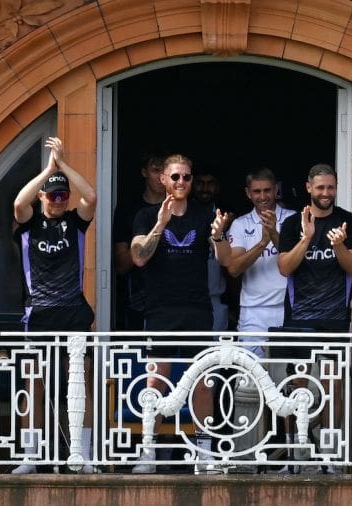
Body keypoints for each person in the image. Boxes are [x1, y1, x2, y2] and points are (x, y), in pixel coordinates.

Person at [129, 154, 231, 474]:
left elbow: (226, 260)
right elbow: (139, 257)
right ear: (163, 180)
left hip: (198, 309)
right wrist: (161, 224)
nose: (182, 183)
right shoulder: (146, 215)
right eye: (175, 177)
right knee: (156, 380)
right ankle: (147, 451)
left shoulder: (204, 216)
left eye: (186, 177)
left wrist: (217, 236)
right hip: (160, 310)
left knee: (203, 381)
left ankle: (204, 450)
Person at [11, 137, 98, 474]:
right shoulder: (30, 222)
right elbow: (19, 203)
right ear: (43, 197)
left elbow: (90, 197)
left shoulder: (75, 221)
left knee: (80, 378)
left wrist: (64, 167)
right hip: (39, 311)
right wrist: (48, 170)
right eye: (54, 195)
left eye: (64, 195)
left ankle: (81, 452)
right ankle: (30, 455)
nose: (60, 200)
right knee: (33, 379)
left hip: (73, 310)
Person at [277, 163, 352, 474]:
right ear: (309, 188)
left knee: (332, 384)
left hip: (335, 318)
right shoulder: (291, 224)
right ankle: (296, 453)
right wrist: (307, 237)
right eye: (320, 188)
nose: (325, 193)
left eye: (330, 187)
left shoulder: (349, 221)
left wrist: (338, 245)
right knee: (295, 384)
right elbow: (285, 268)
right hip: (298, 317)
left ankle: (329, 453)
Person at [226, 168, 295, 357]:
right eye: (257, 191)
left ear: (276, 190)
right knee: (250, 378)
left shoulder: (293, 219)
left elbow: (297, 260)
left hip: (288, 308)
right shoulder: (240, 224)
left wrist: (274, 233)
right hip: (253, 311)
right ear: (248, 193)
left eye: (267, 190)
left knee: (288, 376)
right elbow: (233, 268)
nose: (263, 196)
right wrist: (262, 243)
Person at [112, 149, 166, 330]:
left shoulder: (183, 208)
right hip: (137, 296)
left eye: (166, 172)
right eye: (156, 170)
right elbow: (121, 265)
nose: (161, 177)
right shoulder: (129, 209)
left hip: (176, 297)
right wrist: (152, 236)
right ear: (144, 172)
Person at [193, 169, 233, 331]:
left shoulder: (228, 215)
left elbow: (231, 265)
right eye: (200, 183)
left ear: (217, 187)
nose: (205, 188)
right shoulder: (183, 212)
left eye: (210, 184)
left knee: (216, 355)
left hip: (215, 298)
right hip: (187, 300)